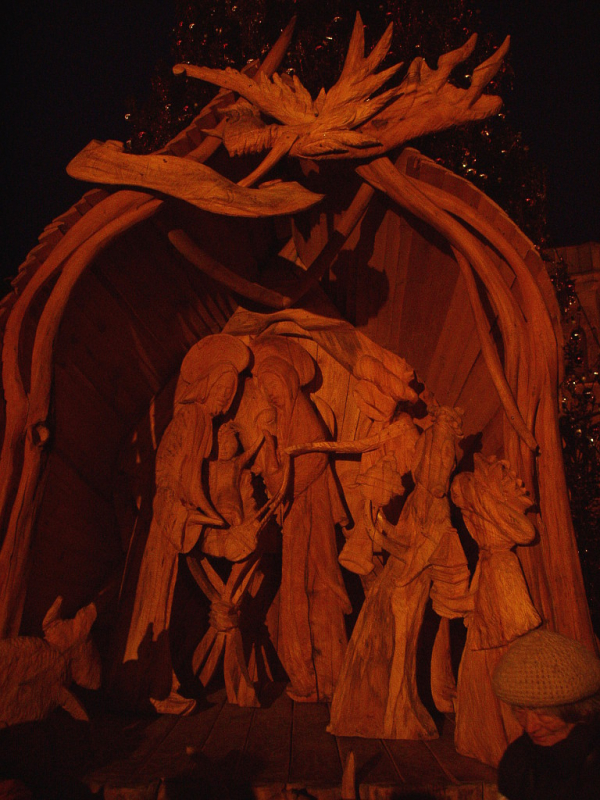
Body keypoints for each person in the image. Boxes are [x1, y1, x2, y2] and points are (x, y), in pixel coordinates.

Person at [122, 334, 250, 714]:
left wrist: (222, 455)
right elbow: (167, 467)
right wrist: (182, 504)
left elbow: (200, 471)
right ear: (208, 385)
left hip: (179, 517)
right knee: (153, 601)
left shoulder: (206, 425)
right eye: (223, 389)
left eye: (231, 392)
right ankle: (147, 686)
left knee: (165, 601)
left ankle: (159, 682)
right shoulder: (188, 419)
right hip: (166, 519)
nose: (226, 398)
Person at [492, 629, 600, 800]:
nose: (530, 727)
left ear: (580, 710)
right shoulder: (517, 760)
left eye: (543, 714)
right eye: (520, 710)